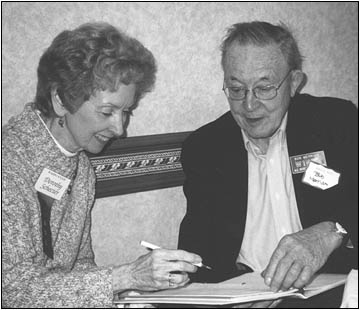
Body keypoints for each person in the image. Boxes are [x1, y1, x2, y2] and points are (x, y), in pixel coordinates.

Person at [2, 22, 203, 308]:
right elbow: (11, 291)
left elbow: (79, 266)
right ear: (60, 100)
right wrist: (126, 277)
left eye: (126, 112)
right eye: (107, 111)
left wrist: (118, 298)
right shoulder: (8, 163)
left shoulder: (81, 168)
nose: (119, 129)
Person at [178, 21, 358, 307]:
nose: (249, 105)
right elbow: (199, 252)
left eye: (264, 88)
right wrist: (233, 293)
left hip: (332, 293)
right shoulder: (205, 149)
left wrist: (332, 231)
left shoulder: (336, 124)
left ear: (295, 82)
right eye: (236, 89)